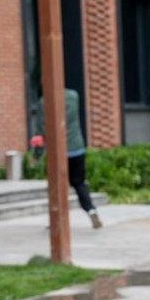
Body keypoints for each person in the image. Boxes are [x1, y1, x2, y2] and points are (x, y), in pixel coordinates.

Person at [33, 88, 102, 229]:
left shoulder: (43, 102)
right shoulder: (74, 96)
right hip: (77, 148)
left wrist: (37, 155)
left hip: (58, 152)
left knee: (57, 186)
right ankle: (90, 209)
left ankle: (57, 219)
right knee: (79, 183)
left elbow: (41, 130)